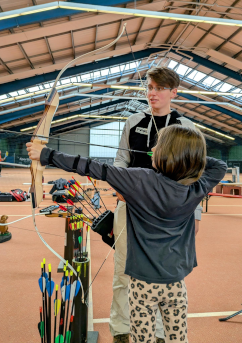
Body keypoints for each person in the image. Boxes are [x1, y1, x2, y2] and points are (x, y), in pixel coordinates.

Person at [26, 124, 227, 343]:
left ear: (167, 153)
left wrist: (46, 155)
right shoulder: (194, 188)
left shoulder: (139, 180)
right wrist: (189, 157)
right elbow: (220, 166)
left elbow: (92, 167)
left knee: (143, 338)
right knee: (178, 338)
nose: (154, 147)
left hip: (142, 284)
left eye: (159, 145)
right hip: (175, 283)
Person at [111, 66, 202, 343]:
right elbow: (119, 163)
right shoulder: (132, 122)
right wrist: (122, 189)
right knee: (123, 271)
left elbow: (195, 175)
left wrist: (195, 214)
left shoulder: (187, 129)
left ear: (174, 92)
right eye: (150, 87)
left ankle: (161, 333)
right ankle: (122, 329)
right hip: (130, 209)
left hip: (170, 216)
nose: (153, 93)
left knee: (165, 276)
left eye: (160, 88)